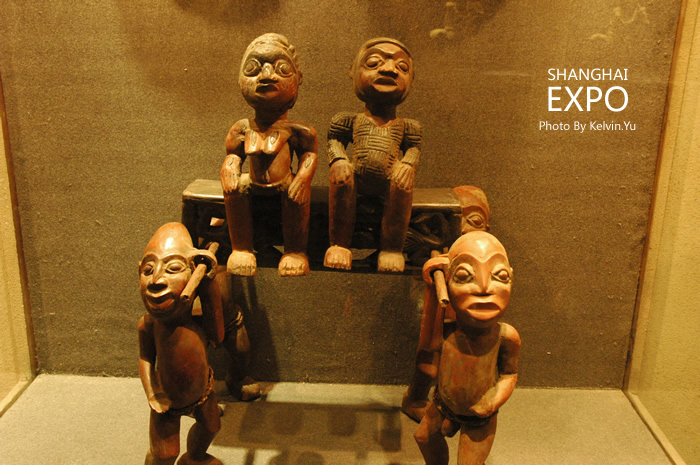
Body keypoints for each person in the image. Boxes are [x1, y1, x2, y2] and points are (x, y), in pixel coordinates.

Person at [413, 231, 520, 465]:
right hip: (443, 405)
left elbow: (510, 375)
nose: (484, 288)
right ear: (447, 282)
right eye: (464, 276)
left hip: (479, 417)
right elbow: (428, 346)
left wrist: (492, 401)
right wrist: (431, 289)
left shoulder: (506, 336)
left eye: (499, 276)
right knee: (424, 437)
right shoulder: (448, 330)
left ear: (511, 278)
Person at [221, 33, 317, 277]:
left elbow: (309, 155)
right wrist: (230, 168)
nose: (266, 75)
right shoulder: (242, 128)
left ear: (298, 79)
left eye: (281, 68)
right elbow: (233, 155)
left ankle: (295, 251)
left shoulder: (299, 130)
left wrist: (303, 179)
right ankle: (241, 248)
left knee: (295, 194)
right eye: (253, 68)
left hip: (285, 183)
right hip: (251, 183)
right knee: (236, 190)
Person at [324, 37, 421, 273]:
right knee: (343, 176)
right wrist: (338, 159)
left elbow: (413, 148)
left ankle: (392, 249)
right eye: (374, 62)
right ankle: (339, 244)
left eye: (402, 67)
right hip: (356, 178)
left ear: (411, 80)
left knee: (402, 183)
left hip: (389, 181)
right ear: (353, 71)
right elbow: (334, 140)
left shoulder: (409, 127)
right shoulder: (347, 120)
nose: (389, 69)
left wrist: (407, 164)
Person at [138, 223, 224, 465]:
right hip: (166, 400)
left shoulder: (197, 320)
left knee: (211, 427)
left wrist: (208, 286)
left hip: (203, 393)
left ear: (193, 272)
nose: (156, 280)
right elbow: (145, 359)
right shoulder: (148, 325)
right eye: (148, 270)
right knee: (164, 454)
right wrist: (153, 393)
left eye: (173, 268)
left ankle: (194, 457)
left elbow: (217, 337)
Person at [402, 186, 491, 421]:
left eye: (474, 220)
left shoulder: (487, 256)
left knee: (464, 359)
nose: (462, 228)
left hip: (471, 320)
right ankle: (416, 398)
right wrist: (433, 267)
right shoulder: (439, 249)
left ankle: (455, 403)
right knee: (430, 355)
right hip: (440, 310)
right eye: (455, 219)